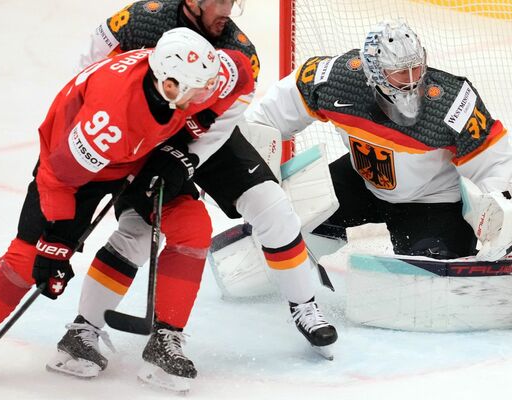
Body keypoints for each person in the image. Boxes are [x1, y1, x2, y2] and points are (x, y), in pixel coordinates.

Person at [0, 27, 253, 390]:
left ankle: (166, 338)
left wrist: (187, 141)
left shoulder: (195, 75)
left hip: (142, 153)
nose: (207, 95)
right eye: (198, 92)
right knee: (28, 259)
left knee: (193, 227)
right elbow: (58, 177)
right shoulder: (109, 120)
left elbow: (242, 75)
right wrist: (56, 242)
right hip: (76, 169)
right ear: (169, 85)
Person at [47, 0, 338, 383]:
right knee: (136, 231)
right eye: (220, 1)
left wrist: (188, 157)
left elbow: (228, 114)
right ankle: (83, 331)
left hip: (203, 135)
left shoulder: (240, 51)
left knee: (273, 206)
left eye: (234, 2)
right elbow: (88, 75)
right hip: (142, 136)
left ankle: (305, 305)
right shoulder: (138, 21)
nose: (228, 11)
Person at [240, 20, 512, 335]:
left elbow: (495, 163)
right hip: (362, 180)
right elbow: (267, 116)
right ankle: (277, 275)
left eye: (416, 68)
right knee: (291, 221)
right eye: (399, 73)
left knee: (426, 287)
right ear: (373, 72)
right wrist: (251, 176)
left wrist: (497, 216)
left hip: (432, 201)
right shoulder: (334, 79)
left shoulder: (451, 102)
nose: (412, 79)